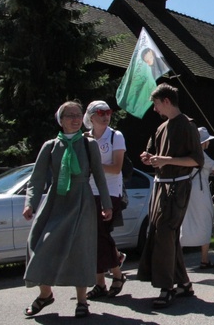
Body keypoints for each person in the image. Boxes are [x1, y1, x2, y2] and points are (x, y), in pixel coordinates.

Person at [23, 101, 112, 319]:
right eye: (69, 115)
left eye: (78, 115)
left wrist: (107, 204)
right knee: (38, 243)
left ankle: (82, 301)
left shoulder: (89, 144)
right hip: (56, 201)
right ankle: (45, 294)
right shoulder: (50, 146)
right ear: (60, 120)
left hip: (81, 201)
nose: (74, 119)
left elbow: (99, 176)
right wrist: (30, 203)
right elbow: (37, 179)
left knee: (80, 249)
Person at [138, 83, 204, 308]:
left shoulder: (187, 126)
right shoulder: (160, 128)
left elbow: (196, 160)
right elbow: (156, 154)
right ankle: (183, 283)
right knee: (163, 234)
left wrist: (166, 160)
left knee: (165, 233)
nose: (154, 109)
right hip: (160, 187)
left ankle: (167, 287)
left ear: (166, 101)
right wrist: (149, 157)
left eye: (156, 104)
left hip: (177, 188)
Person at [82, 101, 127, 300]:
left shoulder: (115, 136)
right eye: (100, 113)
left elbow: (117, 168)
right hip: (89, 191)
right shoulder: (84, 138)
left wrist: (93, 166)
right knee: (93, 237)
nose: (105, 116)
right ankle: (100, 282)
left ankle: (117, 274)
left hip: (110, 191)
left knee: (101, 233)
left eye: (108, 112)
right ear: (91, 117)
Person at [181, 127, 214, 269]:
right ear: (204, 142)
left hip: (187, 190)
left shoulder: (189, 153)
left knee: (186, 222)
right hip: (200, 192)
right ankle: (204, 259)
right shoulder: (201, 154)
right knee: (205, 220)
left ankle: (179, 260)